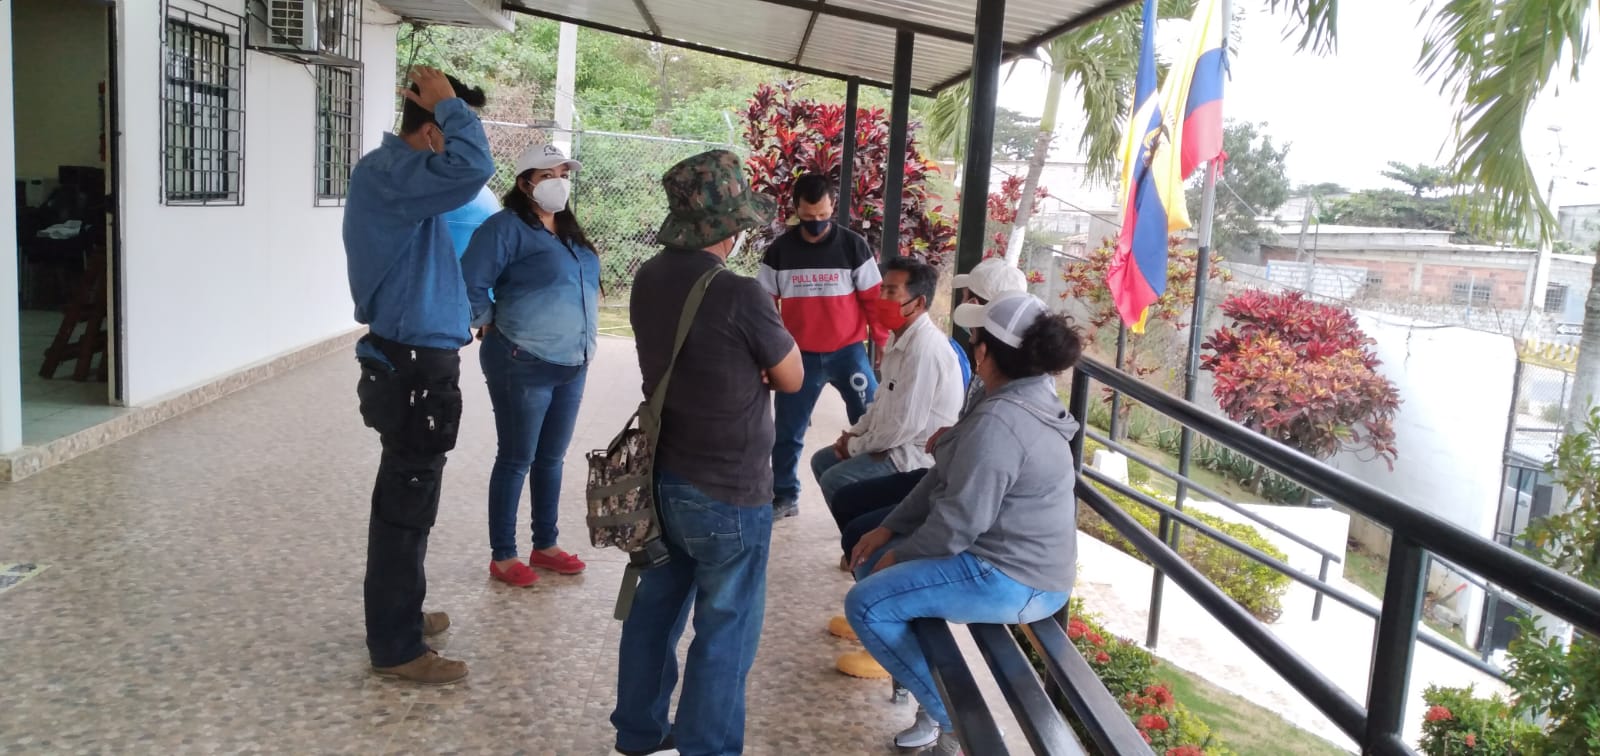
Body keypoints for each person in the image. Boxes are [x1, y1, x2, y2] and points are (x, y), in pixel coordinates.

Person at [613, 149, 804, 756]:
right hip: (729, 490)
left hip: (660, 476)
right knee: (726, 629)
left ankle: (639, 732)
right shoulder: (740, 293)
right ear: (731, 225)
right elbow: (793, 376)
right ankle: (708, 748)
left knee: (653, 612)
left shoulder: (647, 277)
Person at [845, 293, 1084, 756]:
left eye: (973, 338)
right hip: (1007, 561)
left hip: (1016, 578)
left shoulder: (1001, 420)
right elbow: (943, 477)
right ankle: (934, 704)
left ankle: (956, 720)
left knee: (868, 603)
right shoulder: (1015, 395)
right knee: (871, 560)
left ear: (983, 352)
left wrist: (899, 554)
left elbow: (957, 524)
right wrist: (889, 530)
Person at [344, 67, 495, 685]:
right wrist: (451, 107)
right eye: (452, 125)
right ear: (433, 132)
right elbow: (475, 166)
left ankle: (401, 612)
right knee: (405, 503)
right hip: (410, 365)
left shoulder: (402, 179)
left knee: (412, 495)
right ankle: (395, 646)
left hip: (416, 361)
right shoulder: (391, 174)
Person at [461, 143, 598, 587]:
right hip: (521, 360)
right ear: (524, 184)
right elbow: (470, 282)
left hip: (572, 362)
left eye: (564, 174)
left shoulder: (568, 230)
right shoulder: (504, 228)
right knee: (516, 458)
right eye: (547, 175)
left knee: (551, 458)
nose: (559, 182)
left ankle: (546, 544)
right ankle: (503, 555)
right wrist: (487, 321)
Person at [758, 173, 887, 519]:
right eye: (808, 216)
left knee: (872, 422)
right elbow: (765, 306)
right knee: (788, 431)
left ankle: (876, 491)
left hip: (849, 353)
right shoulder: (779, 251)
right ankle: (785, 495)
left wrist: (882, 342)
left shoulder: (853, 246)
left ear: (832, 207)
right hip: (798, 357)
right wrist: (768, 353)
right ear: (796, 209)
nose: (816, 222)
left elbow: (874, 300)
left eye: (822, 215)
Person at [809, 256, 963, 519]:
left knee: (836, 479)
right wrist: (853, 435)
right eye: (882, 290)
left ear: (918, 303)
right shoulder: (898, 336)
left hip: (914, 455)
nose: (881, 298)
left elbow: (904, 426)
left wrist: (855, 447)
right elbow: (880, 401)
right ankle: (861, 533)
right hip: (894, 443)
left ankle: (866, 537)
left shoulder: (924, 349)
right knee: (822, 461)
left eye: (891, 292)